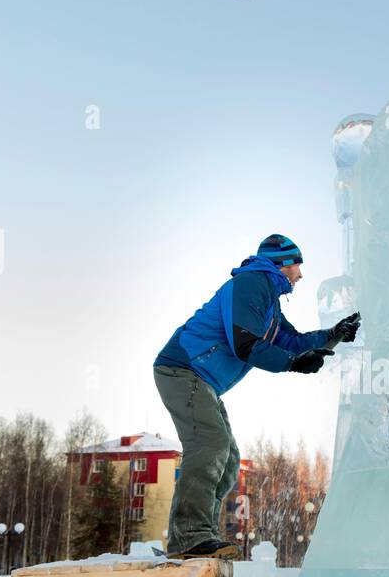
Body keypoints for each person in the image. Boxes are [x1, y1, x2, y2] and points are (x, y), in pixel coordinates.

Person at [153, 233, 360, 558]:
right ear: (281, 264)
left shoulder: (268, 304)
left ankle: (200, 535)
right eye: (297, 265)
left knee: (229, 459)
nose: (301, 275)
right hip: (181, 370)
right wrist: (293, 365)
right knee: (209, 445)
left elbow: (290, 341)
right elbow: (246, 343)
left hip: (201, 380)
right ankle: (188, 538)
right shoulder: (252, 284)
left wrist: (333, 336)